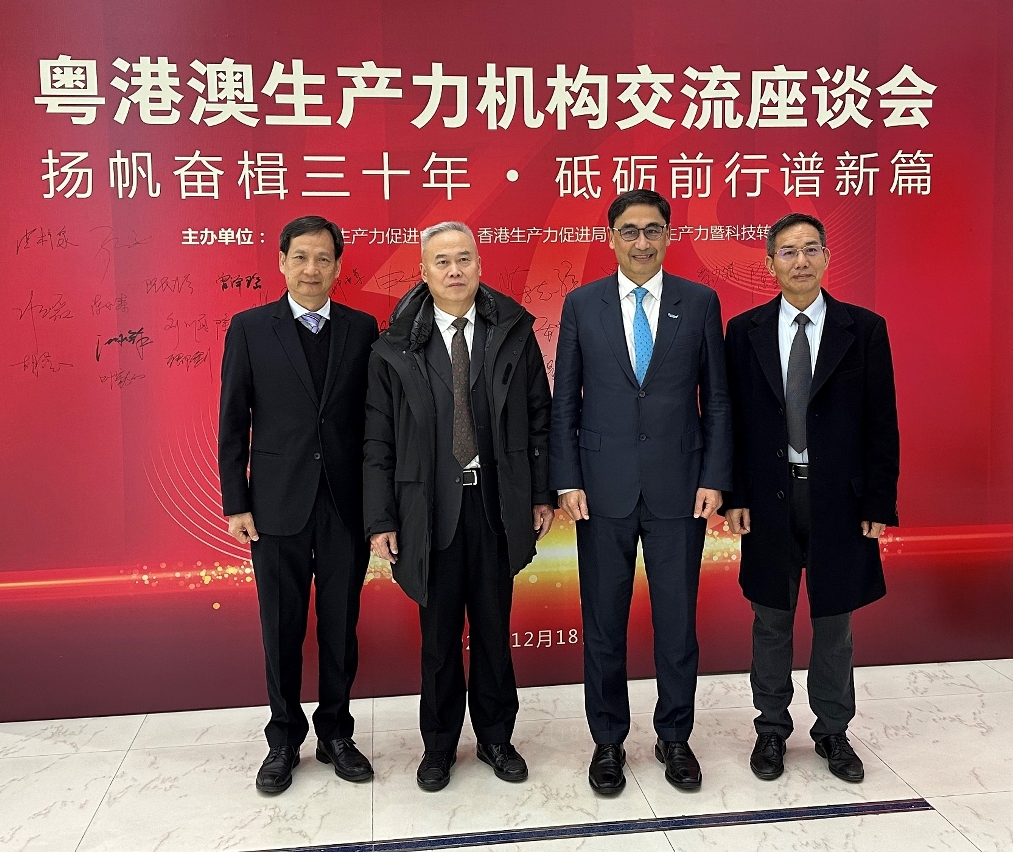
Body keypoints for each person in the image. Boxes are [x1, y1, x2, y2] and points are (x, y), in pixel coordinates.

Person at [550, 189, 732, 794]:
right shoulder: (582, 304)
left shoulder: (699, 302)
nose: (642, 241)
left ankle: (675, 736)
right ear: (611, 239)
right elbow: (564, 399)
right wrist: (567, 478)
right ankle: (607, 741)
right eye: (629, 230)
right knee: (604, 623)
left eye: (653, 229)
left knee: (677, 623)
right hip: (600, 489)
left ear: (669, 236)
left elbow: (718, 399)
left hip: (681, 487)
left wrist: (714, 477)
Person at [364, 222, 554, 792]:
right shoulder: (394, 346)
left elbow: (539, 418)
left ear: (479, 265)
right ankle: (439, 745)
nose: (454, 270)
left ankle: (497, 738)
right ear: (423, 272)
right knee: (440, 638)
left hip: (496, 505)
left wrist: (540, 493)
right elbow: (377, 440)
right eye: (442, 261)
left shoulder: (513, 333)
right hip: (429, 511)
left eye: (464, 259)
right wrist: (381, 518)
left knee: (494, 631)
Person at [723, 212, 899, 784]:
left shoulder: (863, 329)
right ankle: (771, 728)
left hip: (840, 500)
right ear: (769, 263)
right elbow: (733, 422)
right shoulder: (744, 331)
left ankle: (833, 730)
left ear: (826, 257)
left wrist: (878, 502)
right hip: (769, 499)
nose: (800, 261)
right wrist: (735, 495)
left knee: (834, 623)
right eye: (788, 251)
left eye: (810, 249)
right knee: (770, 619)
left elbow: (882, 423)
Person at [218, 215, 379, 794]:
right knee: (281, 628)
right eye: (301, 257)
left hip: (345, 505)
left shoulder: (363, 328)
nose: (312, 269)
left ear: (338, 267)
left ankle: (336, 732)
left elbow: (375, 424)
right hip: (275, 505)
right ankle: (283, 739)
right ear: (282, 262)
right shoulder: (250, 328)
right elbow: (233, 420)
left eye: (323, 259)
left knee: (340, 627)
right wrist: (236, 502)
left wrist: (379, 505)